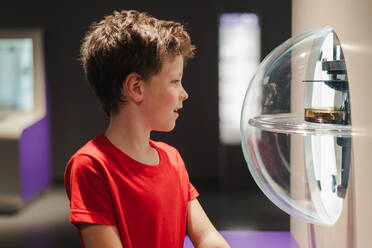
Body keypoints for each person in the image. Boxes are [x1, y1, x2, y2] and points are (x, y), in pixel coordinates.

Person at [64, 9, 230, 248]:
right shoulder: (91, 166)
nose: (184, 94)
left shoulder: (172, 160)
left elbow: (207, 237)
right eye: (175, 81)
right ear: (136, 88)